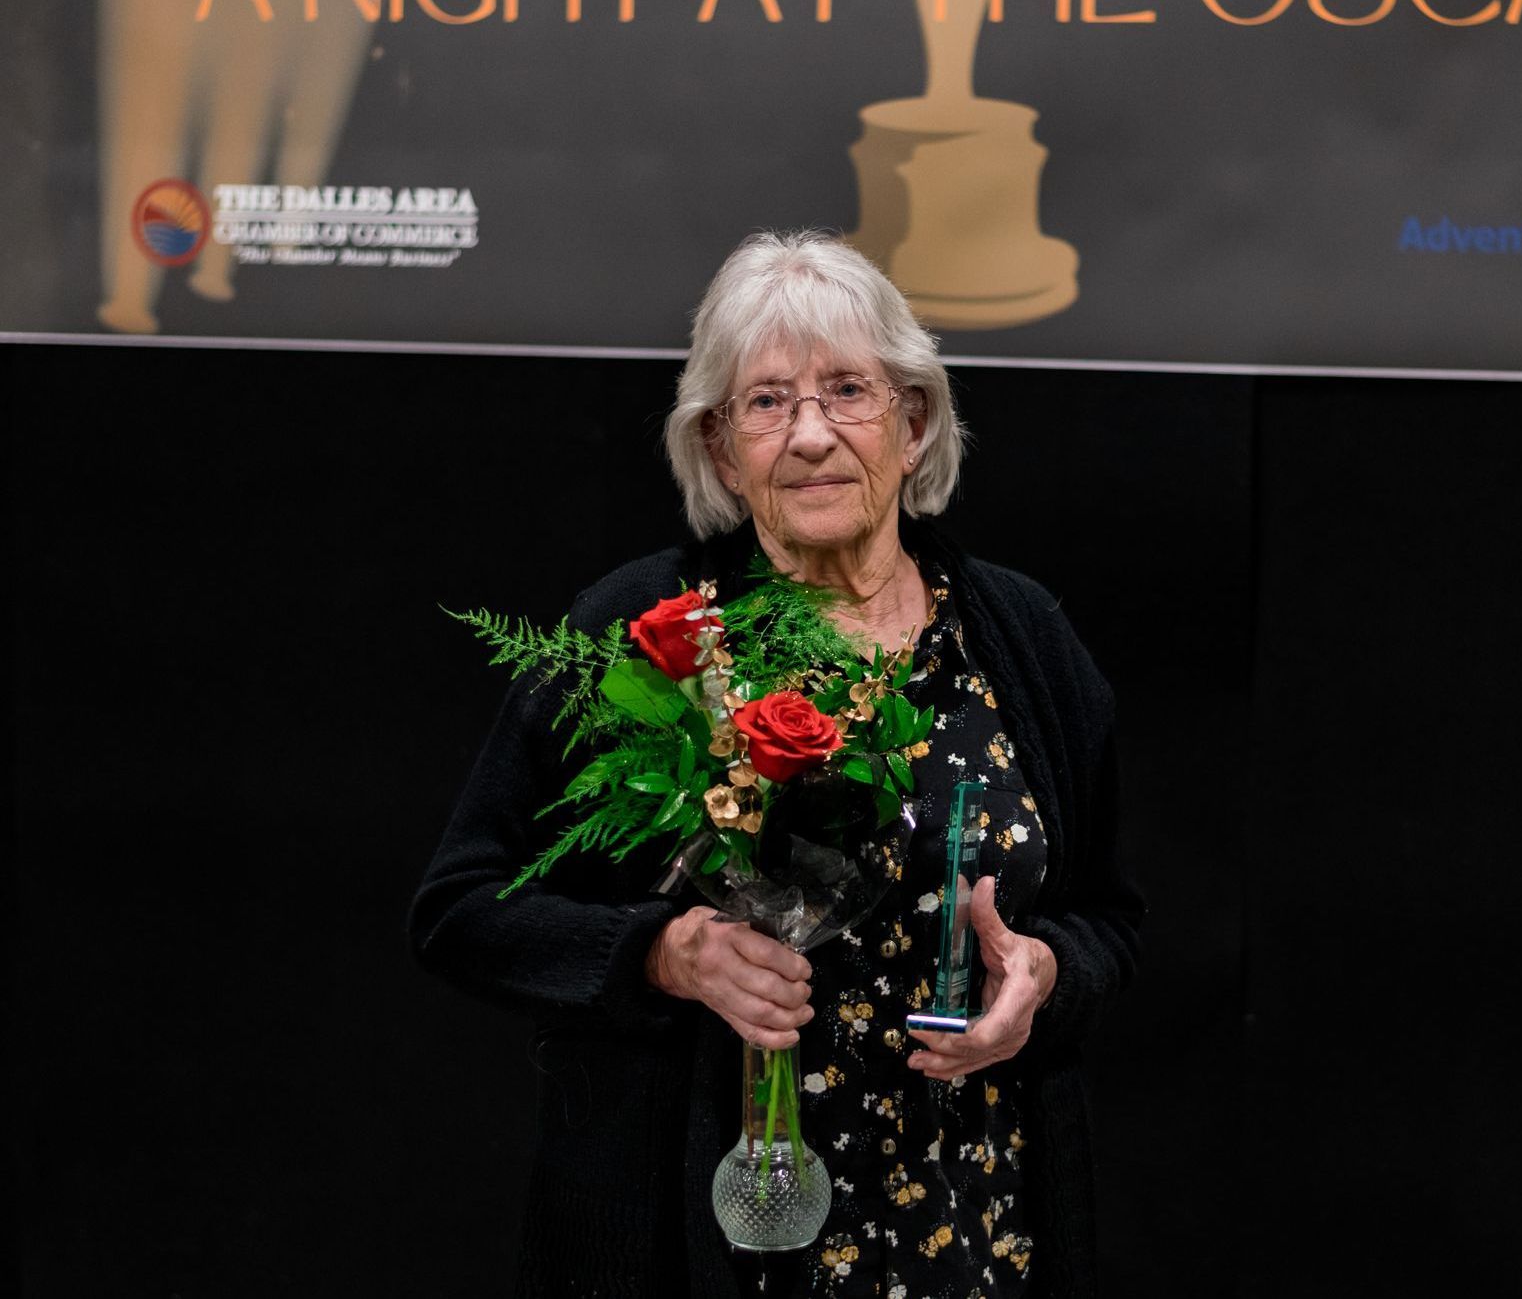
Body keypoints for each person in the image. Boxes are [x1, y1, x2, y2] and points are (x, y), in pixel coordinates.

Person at [410, 230, 1145, 1298]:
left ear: (914, 421)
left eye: (848, 391)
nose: (809, 436)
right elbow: (460, 910)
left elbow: (1112, 920)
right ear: (717, 451)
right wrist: (661, 956)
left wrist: (1047, 976)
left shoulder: (1019, 637)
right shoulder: (644, 635)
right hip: (708, 1243)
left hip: (973, 1228)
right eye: (765, 403)